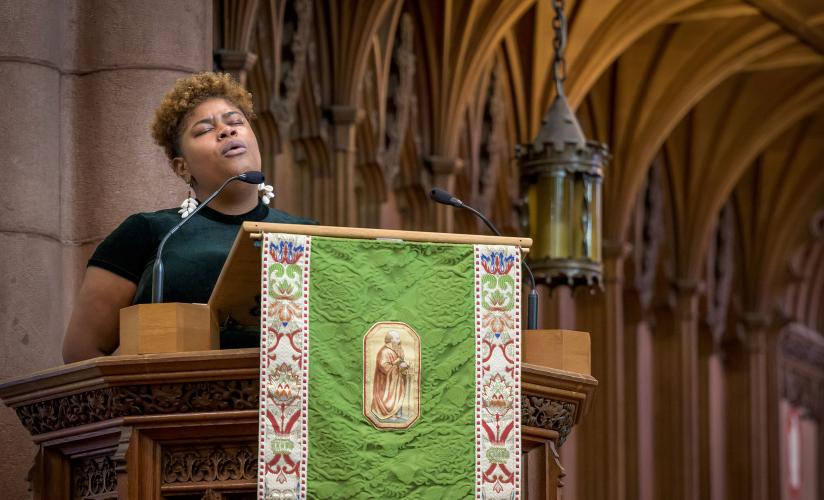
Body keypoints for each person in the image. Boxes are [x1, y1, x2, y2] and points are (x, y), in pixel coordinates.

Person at [62, 72, 314, 363]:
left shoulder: (306, 234)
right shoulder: (151, 233)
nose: (226, 131)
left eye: (235, 122)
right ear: (182, 168)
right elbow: (81, 352)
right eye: (205, 129)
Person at [371, 331, 409, 421]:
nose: (399, 341)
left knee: (397, 394)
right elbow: (384, 367)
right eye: (397, 338)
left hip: (395, 380)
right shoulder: (384, 351)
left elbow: (398, 362)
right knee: (388, 397)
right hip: (385, 383)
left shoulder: (394, 350)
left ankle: (396, 413)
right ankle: (387, 413)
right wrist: (398, 364)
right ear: (391, 340)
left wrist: (403, 365)